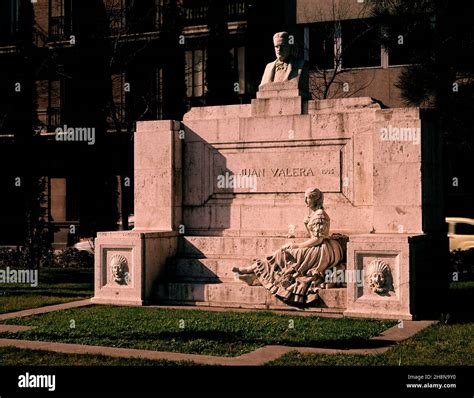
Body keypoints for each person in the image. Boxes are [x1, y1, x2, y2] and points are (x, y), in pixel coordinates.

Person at [232, 188, 343, 304]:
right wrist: (306, 226)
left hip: (322, 251)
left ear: (315, 199)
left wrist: (297, 246)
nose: (305, 201)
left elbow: (318, 239)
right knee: (284, 252)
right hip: (317, 246)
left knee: (286, 253)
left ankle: (252, 270)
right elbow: (313, 236)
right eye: (305, 198)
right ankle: (253, 275)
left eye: (308, 198)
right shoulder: (314, 214)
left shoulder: (320, 215)